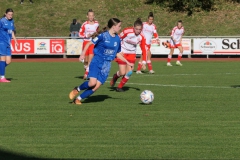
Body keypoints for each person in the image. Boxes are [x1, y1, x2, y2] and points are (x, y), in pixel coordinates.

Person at [69, 18, 133, 105]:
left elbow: (117, 53)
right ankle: (77, 89)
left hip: (106, 65)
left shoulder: (117, 39)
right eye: (119, 26)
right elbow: (89, 43)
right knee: (92, 83)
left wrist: (127, 62)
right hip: (97, 61)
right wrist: (83, 54)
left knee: (95, 87)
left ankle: (78, 99)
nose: (120, 28)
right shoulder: (103, 36)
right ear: (113, 27)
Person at [110, 18, 147, 92]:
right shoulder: (127, 31)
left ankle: (119, 87)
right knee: (122, 73)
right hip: (122, 52)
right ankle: (115, 76)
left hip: (132, 54)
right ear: (133, 27)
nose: (138, 31)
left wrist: (144, 62)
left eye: (140, 29)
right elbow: (118, 38)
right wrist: (117, 50)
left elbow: (144, 49)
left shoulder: (142, 37)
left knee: (129, 72)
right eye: (136, 29)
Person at [79, 9, 99, 80]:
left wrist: (95, 35)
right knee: (86, 61)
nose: (91, 17)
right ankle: (86, 70)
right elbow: (80, 34)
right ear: (87, 16)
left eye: (92, 15)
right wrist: (86, 35)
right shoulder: (84, 24)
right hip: (86, 42)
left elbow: (97, 32)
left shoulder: (96, 23)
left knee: (91, 59)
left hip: (93, 43)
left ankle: (87, 73)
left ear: (94, 16)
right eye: (89, 15)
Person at [0, 8, 18, 83]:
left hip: (8, 43)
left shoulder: (12, 21)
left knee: (9, 61)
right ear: (5, 14)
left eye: (11, 14)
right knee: (2, 59)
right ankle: (2, 77)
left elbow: (12, 32)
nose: (10, 16)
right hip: (1, 42)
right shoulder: (2, 21)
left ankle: (1, 72)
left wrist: (15, 40)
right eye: (9, 14)